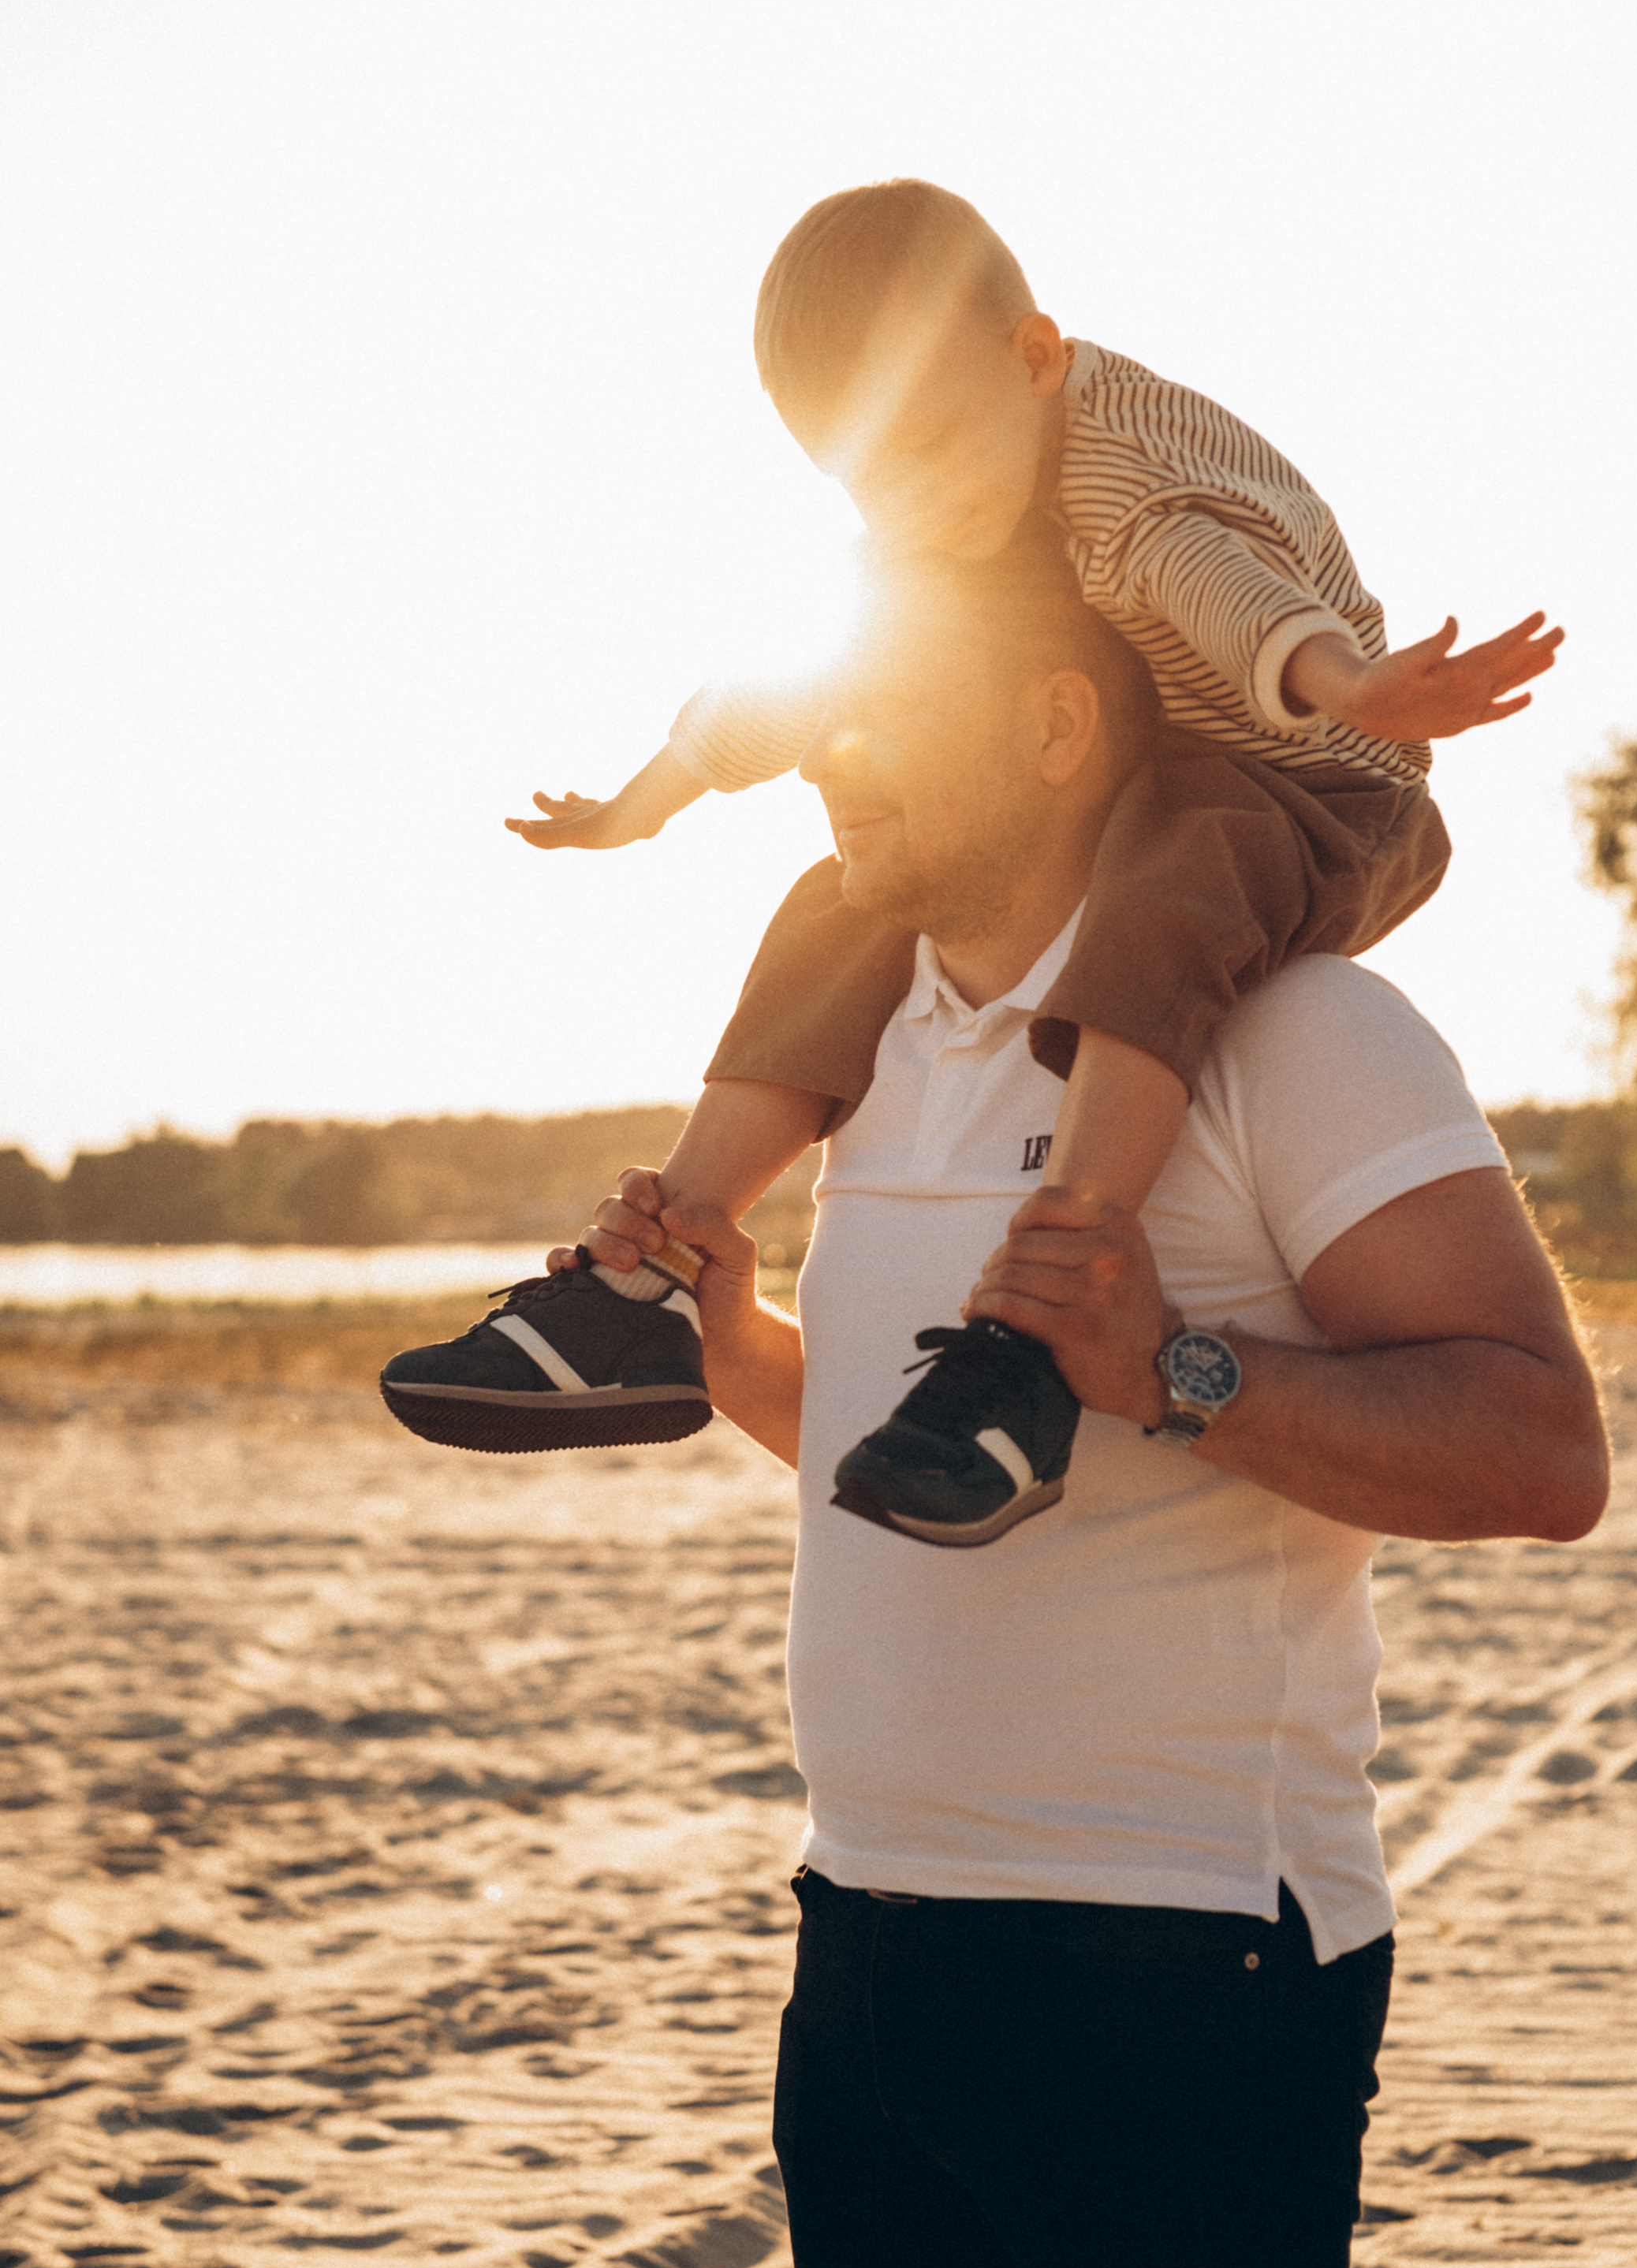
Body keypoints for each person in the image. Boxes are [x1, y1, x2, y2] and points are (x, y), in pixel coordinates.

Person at [549, 556, 1609, 2268]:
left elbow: (1541, 1443)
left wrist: (1176, 1364)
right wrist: (742, 1345)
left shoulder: (1302, 1031)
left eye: (884, 708)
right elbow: (910, 1457)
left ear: (1059, 724)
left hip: (1181, 1967)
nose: (829, 753)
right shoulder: (886, 1054)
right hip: (861, 1958)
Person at [380, 182, 1561, 1547]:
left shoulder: (1125, 481)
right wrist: (645, 804)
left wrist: (1349, 678)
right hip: (1162, 769)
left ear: (1036, 357)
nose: (917, 508)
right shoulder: (935, 517)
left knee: (1181, 871)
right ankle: (652, 1271)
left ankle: (1056, 1291)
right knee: (848, 890)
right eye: (876, 480)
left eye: (934, 452)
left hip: (1318, 765)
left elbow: (1220, 592)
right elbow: (804, 676)